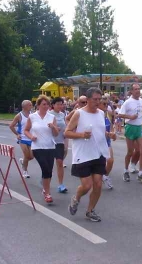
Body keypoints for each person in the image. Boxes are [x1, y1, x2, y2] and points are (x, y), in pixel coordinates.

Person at [65, 87, 111, 222]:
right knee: (87, 186)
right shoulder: (79, 114)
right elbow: (67, 132)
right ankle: (76, 198)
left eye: (99, 99)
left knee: (97, 184)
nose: (97, 102)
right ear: (88, 99)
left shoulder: (102, 113)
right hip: (83, 154)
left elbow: (99, 131)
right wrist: (81, 135)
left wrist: (109, 134)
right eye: (95, 99)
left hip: (98, 153)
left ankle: (90, 210)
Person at [24, 95, 59, 203]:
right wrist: (31, 137)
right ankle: (47, 193)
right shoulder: (32, 117)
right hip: (37, 147)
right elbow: (26, 130)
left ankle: (45, 188)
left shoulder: (52, 117)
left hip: (50, 146)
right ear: (38, 105)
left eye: (47, 104)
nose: (46, 106)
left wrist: (53, 127)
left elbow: (56, 134)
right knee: (45, 168)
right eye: (43, 104)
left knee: (49, 170)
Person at [118, 83, 142, 183]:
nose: (138, 91)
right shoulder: (127, 102)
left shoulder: (141, 100)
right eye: (136, 89)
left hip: (139, 127)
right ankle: (125, 171)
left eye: (139, 89)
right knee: (130, 152)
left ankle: (141, 173)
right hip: (130, 127)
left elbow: (141, 112)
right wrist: (130, 117)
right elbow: (119, 114)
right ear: (131, 91)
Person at [9, 100, 34, 178]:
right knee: (26, 155)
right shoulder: (19, 115)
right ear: (25, 106)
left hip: (30, 137)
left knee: (31, 156)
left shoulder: (32, 115)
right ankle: (25, 171)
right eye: (30, 105)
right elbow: (11, 126)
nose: (31, 106)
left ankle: (23, 161)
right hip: (22, 138)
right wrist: (17, 134)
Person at [49, 97, 68, 193]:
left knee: (60, 162)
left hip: (59, 142)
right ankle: (44, 179)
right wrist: (54, 128)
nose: (60, 106)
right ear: (53, 105)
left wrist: (66, 141)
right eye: (58, 104)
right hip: (50, 142)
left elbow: (65, 128)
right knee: (48, 164)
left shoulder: (62, 114)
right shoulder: (49, 114)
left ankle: (61, 184)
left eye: (61, 104)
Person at [99, 96, 116, 190]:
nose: (106, 106)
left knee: (110, 161)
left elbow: (111, 126)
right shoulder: (96, 115)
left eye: (107, 104)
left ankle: (105, 176)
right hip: (97, 144)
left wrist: (113, 133)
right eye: (104, 104)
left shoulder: (108, 114)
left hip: (107, 142)